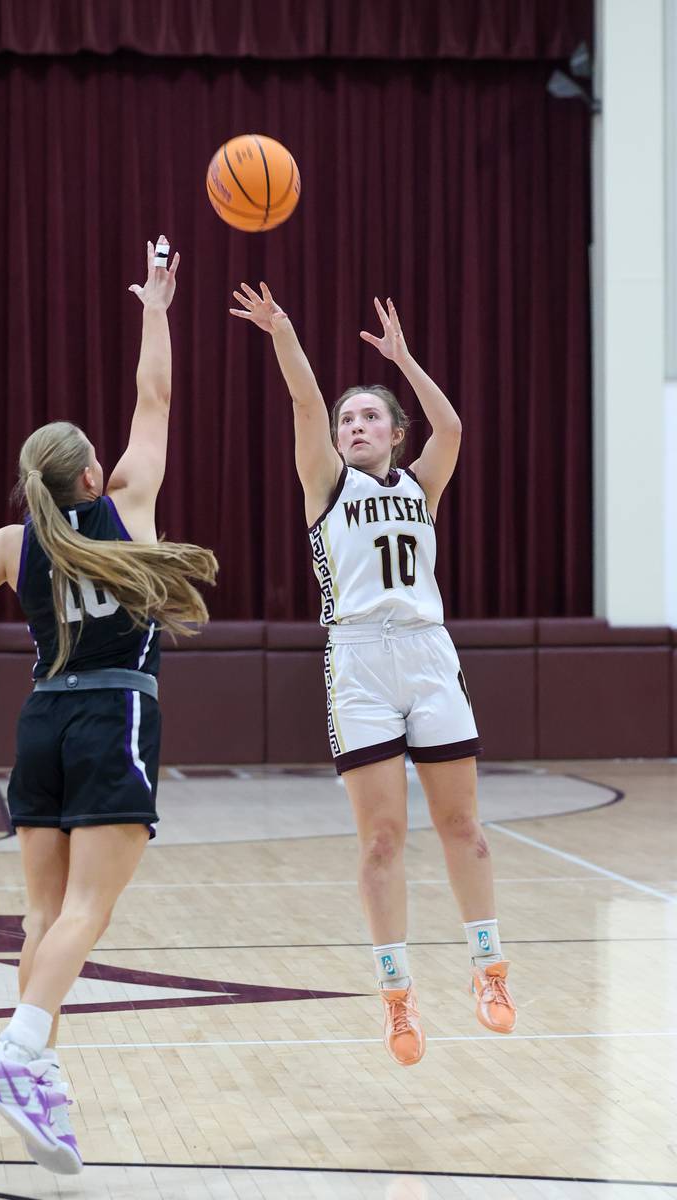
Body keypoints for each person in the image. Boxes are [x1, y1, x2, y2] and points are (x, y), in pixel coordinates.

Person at [0, 236, 217, 1171]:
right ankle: (19, 1047)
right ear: (93, 476)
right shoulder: (133, 507)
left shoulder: (7, 544)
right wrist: (156, 303)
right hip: (115, 717)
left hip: (41, 724)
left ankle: (36, 1086)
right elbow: (156, 398)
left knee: (43, 916)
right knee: (89, 914)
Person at [230, 282, 516, 1066]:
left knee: (465, 830)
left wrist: (403, 360)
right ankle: (397, 996)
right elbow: (302, 403)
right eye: (347, 417)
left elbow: (452, 425)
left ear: (395, 433)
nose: (353, 425)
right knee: (382, 841)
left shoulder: (422, 485)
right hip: (357, 661)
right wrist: (285, 333)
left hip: (428, 657)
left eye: (369, 417)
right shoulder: (327, 484)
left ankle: (489, 970)